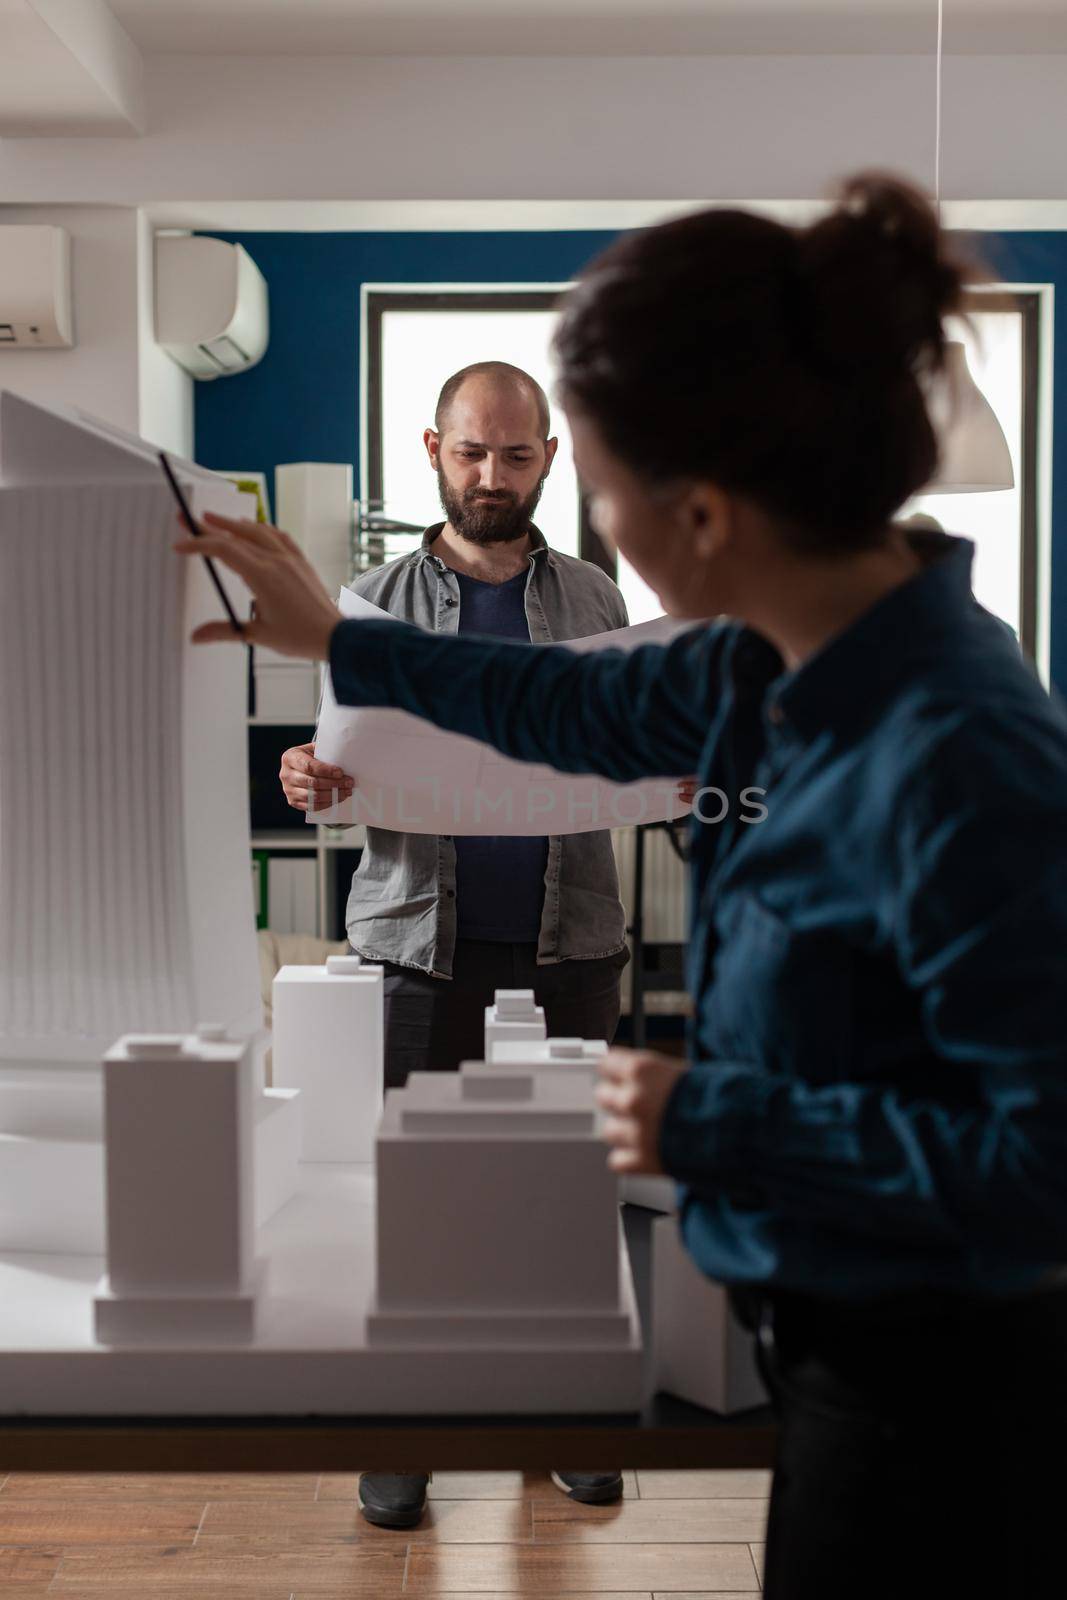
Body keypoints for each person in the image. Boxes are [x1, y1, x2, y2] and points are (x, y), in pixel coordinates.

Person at [176, 172, 1067, 1597]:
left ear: (701, 510)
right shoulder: (754, 661)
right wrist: (336, 638)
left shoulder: (958, 749)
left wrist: (707, 1115)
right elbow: (562, 713)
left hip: (945, 1405)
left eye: (586, 473)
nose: (570, 507)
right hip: (831, 1350)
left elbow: (1037, 1175)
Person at [279, 360, 632, 1527]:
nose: (493, 475)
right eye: (473, 452)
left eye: (517, 453)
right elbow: (335, 776)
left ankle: (560, 1417)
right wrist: (308, 778)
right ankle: (408, 1433)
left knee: (561, 1193)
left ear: (549, 456)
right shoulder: (366, 599)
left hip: (569, 934)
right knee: (411, 1200)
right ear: (432, 446)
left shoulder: (593, 601)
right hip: (414, 944)